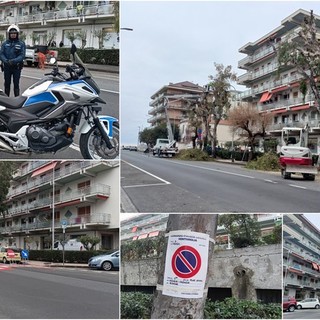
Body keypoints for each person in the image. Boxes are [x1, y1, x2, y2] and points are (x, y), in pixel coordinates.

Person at [0, 24, 26, 97]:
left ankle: (16, 100)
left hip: (16, 68)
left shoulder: (21, 43)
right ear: (9, 34)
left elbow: (22, 55)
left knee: (16, 84)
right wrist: (6, 61)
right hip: (7, 67)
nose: (13, 35)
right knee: (7, 84)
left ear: (17, 34)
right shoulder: (5, 43)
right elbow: (1, 54)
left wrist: (14, 61)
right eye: (11, 33)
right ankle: (6, 101)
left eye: (15, 33)